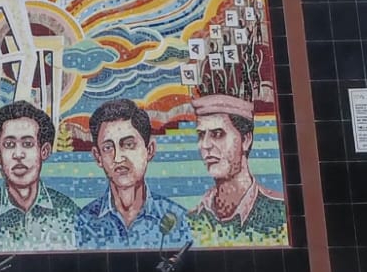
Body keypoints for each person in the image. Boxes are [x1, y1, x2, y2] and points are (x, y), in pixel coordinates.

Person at [75, 98, 193, 249]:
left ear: (149, 150)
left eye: (129, 145)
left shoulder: (177, 220)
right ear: (98, 157)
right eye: (108, 148)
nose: (118, 158)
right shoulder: (83, 222)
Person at [0, 100, 79, 250]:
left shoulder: (67, 211)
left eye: (27, 144)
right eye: (9, 145)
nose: (18, 154)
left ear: (44, 151)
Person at [185, 93, 288, 243]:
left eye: (217, 134)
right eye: (201, 135)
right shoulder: (191, 220)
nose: (205, 145)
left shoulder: (280, 214)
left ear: (246, 140)